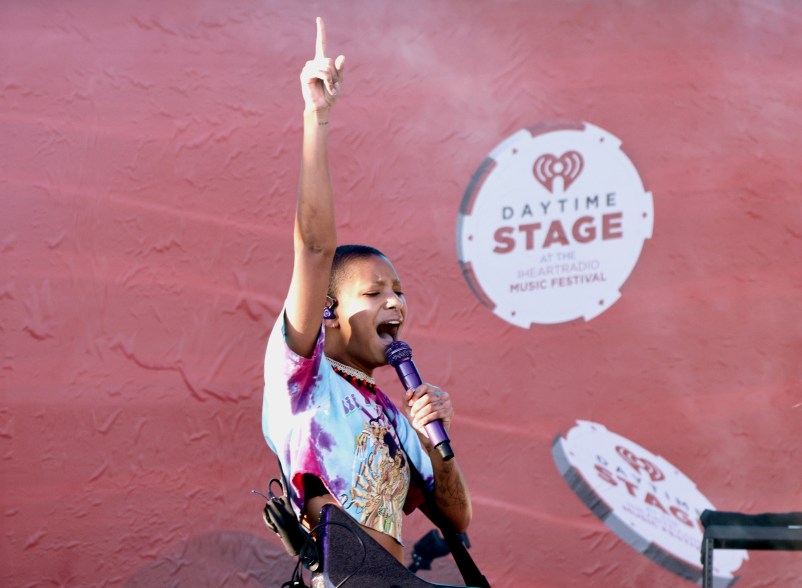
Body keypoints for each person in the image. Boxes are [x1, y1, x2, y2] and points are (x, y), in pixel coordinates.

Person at [261, 17, 472, 564]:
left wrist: (432, 440)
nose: (395, 303)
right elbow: (313, 250)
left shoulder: (392, 411)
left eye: (398, 292)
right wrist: (317, 118)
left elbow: (456, 516)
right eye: (374, 293)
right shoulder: (303, 376)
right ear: (328, 311)